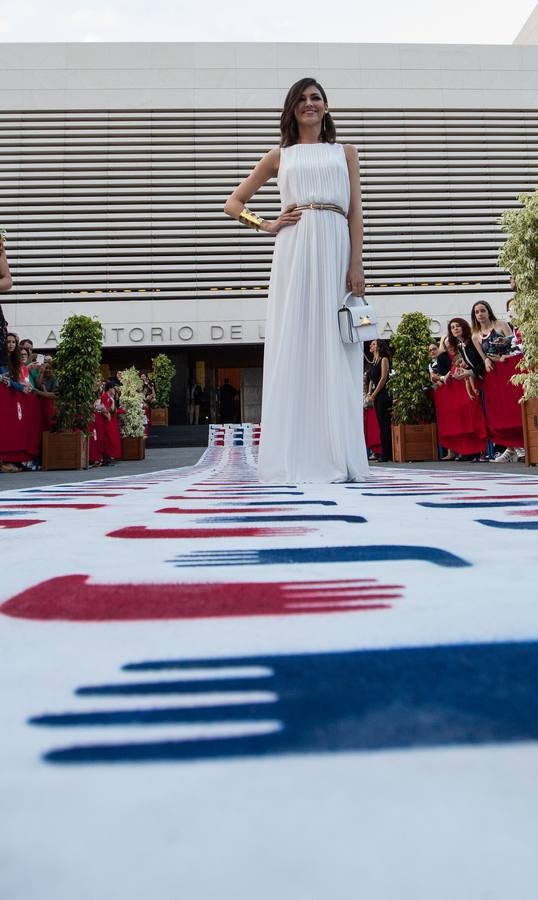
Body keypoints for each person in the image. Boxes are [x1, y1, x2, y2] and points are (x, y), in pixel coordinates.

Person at [224, 77, 369, 483]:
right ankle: (297, 455)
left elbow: (355, 211)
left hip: (336, 246)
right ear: (292, 109)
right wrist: (265, 224)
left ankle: (337, 453)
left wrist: (356, 264)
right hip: (295, 248)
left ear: (326, 107)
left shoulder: (346, 153)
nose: (310, 104)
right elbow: (232, 202)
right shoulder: (278, 156)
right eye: (302, 99)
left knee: (336, 347)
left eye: (316, 98)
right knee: (297, 339)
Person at [365, 339, 393, 462]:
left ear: (379, 346)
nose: (371, 345)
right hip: (376, 394)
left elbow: (383, 378)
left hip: (383, 394)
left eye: (374, 344)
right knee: (380, 424)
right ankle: (383, 451)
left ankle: (387, 454)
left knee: (385, 423)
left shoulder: (383, 359)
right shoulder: (373, 362)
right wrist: (369, 393)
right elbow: (371, 379)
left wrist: (374, 394)